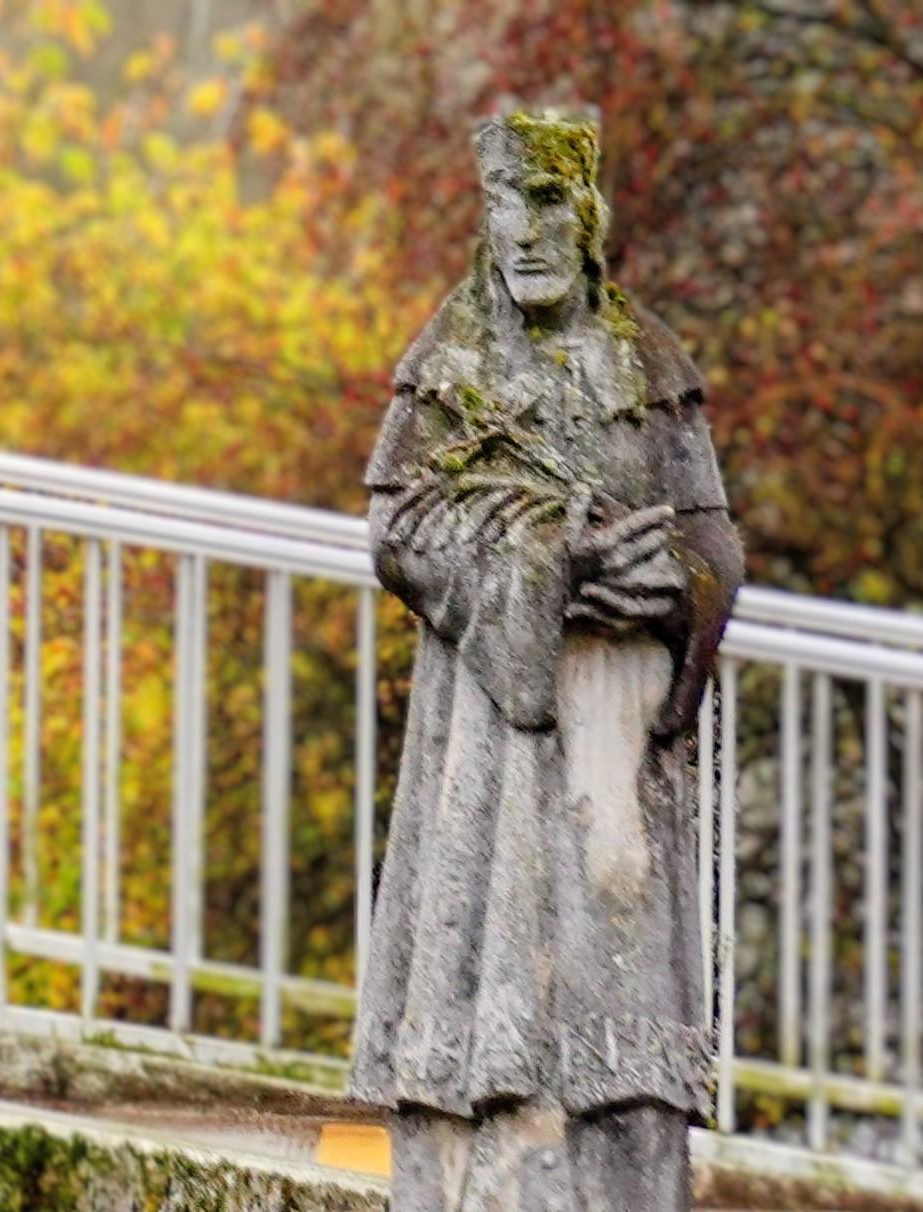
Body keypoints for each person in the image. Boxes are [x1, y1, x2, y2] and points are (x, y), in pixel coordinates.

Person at [349, 107, 743, 1210]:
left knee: (620, 1034)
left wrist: (678, 588)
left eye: (545, 205)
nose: (522, 233)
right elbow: (397, 531)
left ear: (587, 216)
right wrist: (544, 565)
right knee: (487, 1015)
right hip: (488, 745)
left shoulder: (647, 363)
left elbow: (710, 535)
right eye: (501, 207)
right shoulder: (454, 362)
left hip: (615, 754)